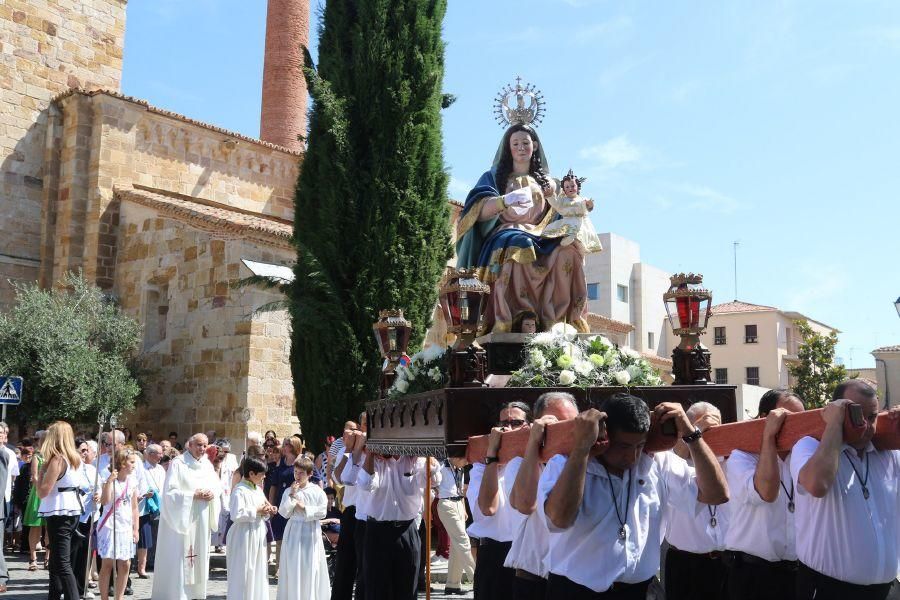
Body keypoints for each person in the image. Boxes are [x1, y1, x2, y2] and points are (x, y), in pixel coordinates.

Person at [540, 394, 729, 598]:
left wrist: (691, 434)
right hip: (575, 591)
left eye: (639, 446)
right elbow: (559, 520)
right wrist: (581, 449)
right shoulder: (564, 463)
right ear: (603, 435)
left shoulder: (658, 461)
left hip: (638, 591)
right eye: (623, 446)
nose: (632, 457)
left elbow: (717, 494)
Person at [455, 122, 590, 333]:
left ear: (534, 145)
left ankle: (558, 321)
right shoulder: (492, 177)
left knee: (568, 251)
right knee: (520, 244)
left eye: (525, 142)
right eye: (515, 143)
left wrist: (567, 202)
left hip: (543, 233)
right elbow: (474, 213)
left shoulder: (550, 182)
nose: (520, 147)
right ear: (508, 148)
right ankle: (512, 319)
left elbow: (568, 209)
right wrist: (504, 200)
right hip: (507, 232)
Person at [792, 380, 900, 600]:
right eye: (857, 416)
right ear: (837, 411)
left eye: (872, 417)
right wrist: (833, 426)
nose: (866, 426)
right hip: (829, 589)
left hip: (885, 589)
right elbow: (817, 484)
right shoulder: (808, 447)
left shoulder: (888, 455)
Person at [723, 388, 805, 600]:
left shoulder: (804, 455)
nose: (796, 427)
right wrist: (768, 436)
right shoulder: (741, 458)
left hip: (797, 574)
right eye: (788, 419)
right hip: (752, 575)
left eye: (802, 419)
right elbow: (766, 492)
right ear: (764, 419)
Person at [505, 393, 579, 600]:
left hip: (571, 577)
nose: (566, 430)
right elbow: (525, 504)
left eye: (571, 422)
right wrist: (534, 444)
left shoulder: (586, 459)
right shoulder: (520, 463)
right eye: (556, 424)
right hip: (533, 575)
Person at [663, 402, 729, 600]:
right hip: (686, 564)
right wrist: (695, 433)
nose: (706, 435)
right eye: (699, 429)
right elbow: (672, 455)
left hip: (727, 562)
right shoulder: (674, 462)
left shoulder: (731, 458)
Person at [468, 401, 532, 600]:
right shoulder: (481, 466)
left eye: (516, 423)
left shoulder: (534, 462)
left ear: (529, 426)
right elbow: (488, 508)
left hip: (527, 554)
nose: (509, 428)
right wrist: (492, 458)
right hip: (494, 555)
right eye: (504, 423)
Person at [358, 448, 440, 600]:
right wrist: (370, 452)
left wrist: (430, 457)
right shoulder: (372, 459)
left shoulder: (416, 459)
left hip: (406, 530)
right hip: (378, 532)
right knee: (377, 590)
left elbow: (433, 480)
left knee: (407, 589)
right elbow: (366, 484)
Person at [150, 433, 222, 600]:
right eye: (198, 445)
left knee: (199, 553)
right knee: (183, 554)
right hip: (183, 519)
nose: (202, 449)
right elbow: (170, 493)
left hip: (202, 517)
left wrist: (212, 493)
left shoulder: (207, 465)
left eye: (205, 445)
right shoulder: (178, 464)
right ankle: (178, 593)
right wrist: (192, 495)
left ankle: (196, 593)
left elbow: (216, 487)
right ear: (189, 445)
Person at [37, 421, 86, 600]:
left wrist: (38, 476)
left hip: (60, 512)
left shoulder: (58, 459)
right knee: (57, 562)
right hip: (70, 510)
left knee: (62, 564)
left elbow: (43, 491)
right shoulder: (75, 458)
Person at [277, 455, 331, 600]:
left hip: (310, 531)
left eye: (301, 473)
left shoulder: (317, 491)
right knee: (293, 565)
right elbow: (283, 512)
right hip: (293, 530)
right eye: (295, 472)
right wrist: (292, 495)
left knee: (309, 565)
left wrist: (305, 508)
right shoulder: (289, 490)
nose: (297, 476)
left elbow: (322, 512)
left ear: (310, 474)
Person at [226, 457, 277, 600]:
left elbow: (262, 510)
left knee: (257, 570)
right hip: (243, 535)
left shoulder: (257, 490)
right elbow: (236, 514)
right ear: (252, 474)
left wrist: (267, 510)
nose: (264, 477)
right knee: (244, 570)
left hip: (257, 533)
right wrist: (257, 510)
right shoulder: (239, 491)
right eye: (261, 474)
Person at [97, 450, 139, 600]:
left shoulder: (132, 481)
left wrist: (136, 529)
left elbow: (134, 508)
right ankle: (104, 597)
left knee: (125, 563)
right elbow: (105, 501)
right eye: (132, 462)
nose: (134, 465)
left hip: (125, 526)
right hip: (110, 525)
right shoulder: (108, 479)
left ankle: (119, 597)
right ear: (122, 463)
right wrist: (109, 481)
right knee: (108, 563)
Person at [333, 422, 368, 600]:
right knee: (345, 563)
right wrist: (349, 450)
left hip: (371, 514)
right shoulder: (347, 450)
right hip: (352, 511)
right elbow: (338, 478)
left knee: (366, 566)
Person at [436, 456, 475, 595]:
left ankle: (452, 584)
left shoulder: (460, 468)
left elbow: (460, 491)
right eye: (465, 460)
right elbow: (431, 484)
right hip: (446, 504)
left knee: (456, 545)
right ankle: (476, 578)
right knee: (463, 541)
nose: (467, 463)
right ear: (457, 457)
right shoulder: (441, 466)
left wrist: (463, 508)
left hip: (458, 504)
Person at [540, 168, 602, 254]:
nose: (570, 188)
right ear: (564, 189)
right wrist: (550, 195)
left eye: (573, 186)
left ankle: (575, 244)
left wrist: (589, 204)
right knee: (551, 231)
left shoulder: (582, 199)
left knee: (579, 235)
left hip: (579, 222)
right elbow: (555, 203)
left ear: (578, 186)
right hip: (566, 221)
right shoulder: (562, 200)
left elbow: (588, 207)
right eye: (567, 187)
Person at [73, 437, 101, 599]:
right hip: (76, 515)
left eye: (86, 450)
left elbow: (100, 488)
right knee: (74, 553)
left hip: (90, 515)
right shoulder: (71, 468)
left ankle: (81, 587)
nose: (85, 453)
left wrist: (99, 494)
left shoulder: (91, 470)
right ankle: (68, 589)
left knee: (85, 553)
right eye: (82, 450)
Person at [136, 444, 164, 577]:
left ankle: (149, 563)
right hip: (143, 505)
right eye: (159, 453)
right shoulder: (141, 468)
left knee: (153, 536)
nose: (161, 456)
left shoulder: (161, 469)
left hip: (159, 505)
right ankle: (140, 566)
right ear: (151, 454)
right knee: (143, 537)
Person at [24, 430, 46, 571]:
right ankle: (33, 558)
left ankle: (48, 558)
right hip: (39, 493)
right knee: (35, 526)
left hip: (50, 493)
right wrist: (40, 490)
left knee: (49, 528)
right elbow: (35, 476)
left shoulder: (53, 455)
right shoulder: (37, 456)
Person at [0, 422, 18, 594]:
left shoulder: (8, 454)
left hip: (3, 500)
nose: (2, 435)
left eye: (4, 433)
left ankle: (1, 577)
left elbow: (13, 477)